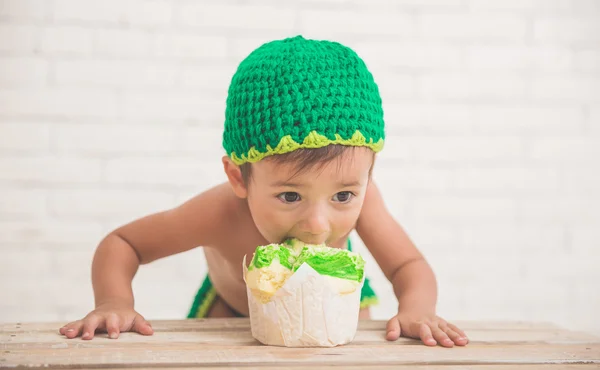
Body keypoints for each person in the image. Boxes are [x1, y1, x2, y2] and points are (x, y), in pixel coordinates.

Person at [59, 36, 469, 347]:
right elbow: (124, 243)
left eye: (343, 196)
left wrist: (417, 309)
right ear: (239, 178)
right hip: (234, 314)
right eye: (290, 196)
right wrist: (114, 301)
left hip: (338, 308)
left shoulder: (367, 200)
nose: (317, 224)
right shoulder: (219, 212)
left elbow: (408, 267)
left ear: (369, 175)